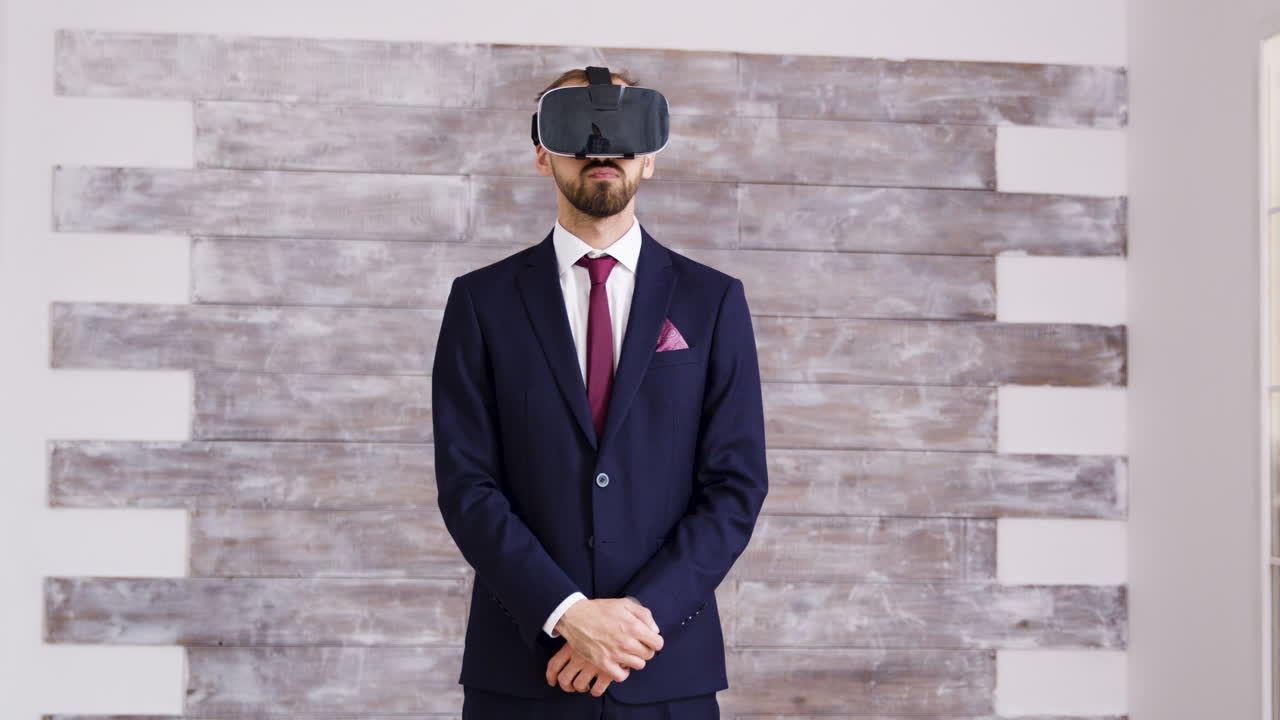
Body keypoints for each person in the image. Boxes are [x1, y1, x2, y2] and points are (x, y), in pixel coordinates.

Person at [431, 66, 769, 720]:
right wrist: (566, 613)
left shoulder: (713, 303)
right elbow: (467, 485)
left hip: (664, 669)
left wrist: (635, 621)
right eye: (578, 131)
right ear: (540, 154)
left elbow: (736, 484)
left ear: (650, 159)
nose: (601, 150)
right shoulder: (481, 303)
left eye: (622, 132)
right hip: (525, 676)